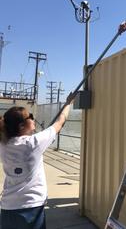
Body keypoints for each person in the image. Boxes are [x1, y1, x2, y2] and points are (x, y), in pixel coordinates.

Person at [0, 93, 74, 229]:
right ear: (22, 126)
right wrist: (68, 103)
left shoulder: (4, 144)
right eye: (30, 117)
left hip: (7, 208)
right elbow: (60, 122)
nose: (34, 119)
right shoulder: (34, 142)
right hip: (31, 207)